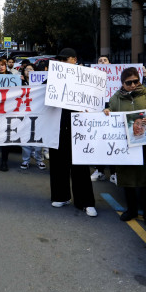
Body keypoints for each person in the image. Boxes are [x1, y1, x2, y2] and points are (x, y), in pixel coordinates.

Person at [106, 67, 146, 226]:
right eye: (128, 82)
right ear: (122, 83)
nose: (133, 85)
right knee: (127, 179)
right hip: (125, 145)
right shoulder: (115, 98)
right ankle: (131, 210)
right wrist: (106, 111)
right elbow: (109, 113)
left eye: (135, 81)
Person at [49, 48, 97, 217]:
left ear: (74, 59)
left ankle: (86, 202)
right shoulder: (53, 78)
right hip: (58, 126)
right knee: (58, 163)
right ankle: (60, 196)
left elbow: (95, 98)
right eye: (60, 60)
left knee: (80, 165)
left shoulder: (86, 77)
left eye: (65, 59)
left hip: (80, 127)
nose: (62, 63)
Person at [20, 62, 46, 171]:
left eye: (31, 69)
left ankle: (39, 160)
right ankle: (25, 160)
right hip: (24, 114)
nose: (29, 71)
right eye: (26, 69)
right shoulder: (19, 82)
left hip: (38, 113)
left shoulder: (41, 83)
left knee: (39, 138)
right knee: (25, 138)